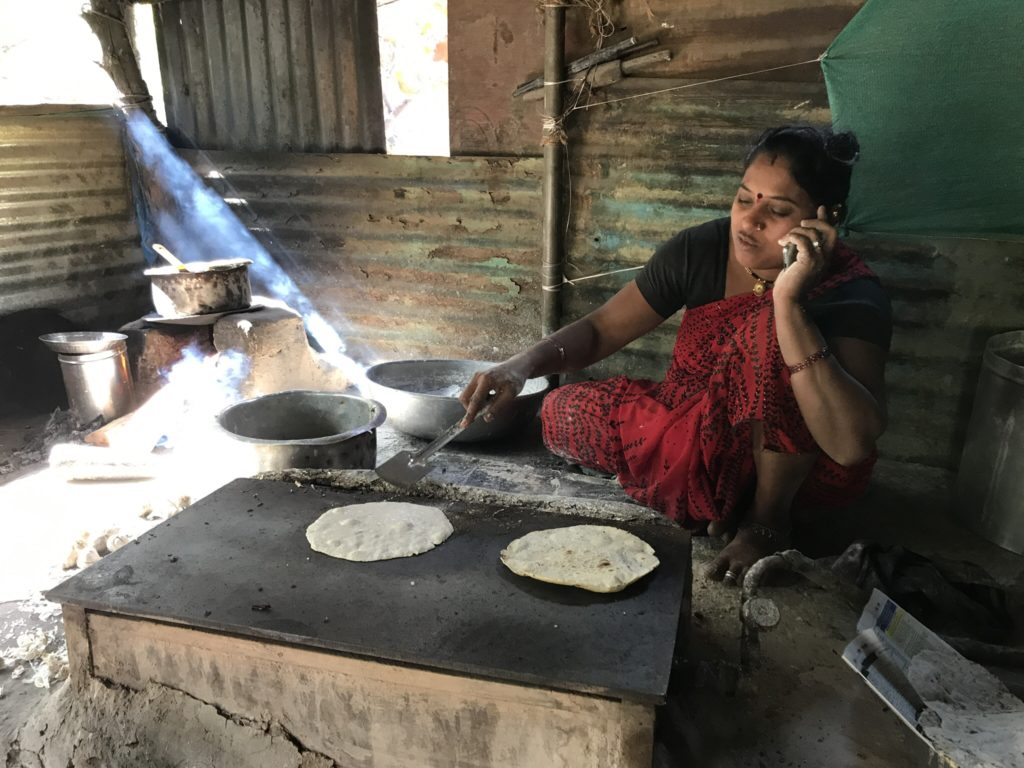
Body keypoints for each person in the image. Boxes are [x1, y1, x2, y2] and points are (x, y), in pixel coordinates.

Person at [458, 125, 891, 586]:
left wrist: (788, 304)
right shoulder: (700, 249)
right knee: (562, 413)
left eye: (778, 210)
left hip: (803, 473)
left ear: (826, 219)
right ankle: (714, 497)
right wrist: (518, 367)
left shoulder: (853, 294)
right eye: (745, 199)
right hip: (697, 431)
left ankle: (765, 520)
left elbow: (849, 446)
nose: (749, 221)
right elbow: (603, 329)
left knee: (769, 326)